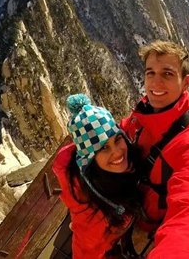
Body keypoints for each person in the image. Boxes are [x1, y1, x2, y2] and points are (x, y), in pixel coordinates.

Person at [120, 41, 189, 259]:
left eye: (167, 74)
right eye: (150, 73)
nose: (156, 82)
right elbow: (116, 133)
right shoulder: (141, 116)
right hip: (125, 206)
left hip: (143, 222)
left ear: (185, 82)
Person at [53, 94, 144, 259]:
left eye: (117, 139)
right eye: (103, 148)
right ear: (90, 160)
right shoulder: (92, 216)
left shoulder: (116, 168)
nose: (117, 152)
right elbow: (86, 253)